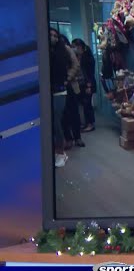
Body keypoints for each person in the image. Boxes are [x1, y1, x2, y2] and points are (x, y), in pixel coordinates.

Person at [49, 28, 75, 167]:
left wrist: (67, 79)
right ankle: (53, 151)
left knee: (56, 121)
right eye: (50, 35)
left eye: (55, 36)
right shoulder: (44, 51)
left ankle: (60, 152)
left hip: (60, 91)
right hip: (47, 92)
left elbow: (75, 65)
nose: (53, 38)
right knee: (50, 122)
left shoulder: (64, 50)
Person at [71, 38, 97, 132]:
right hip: (81, 84)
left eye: (74, 46)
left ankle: (90, 124)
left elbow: (90, 73)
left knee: (87, 105)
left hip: (88, 84)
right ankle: (87, 123)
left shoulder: (87, 57)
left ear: (79, 46)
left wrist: (89, 86)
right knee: (84, 104)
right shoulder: (78, 56)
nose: (73, 48)